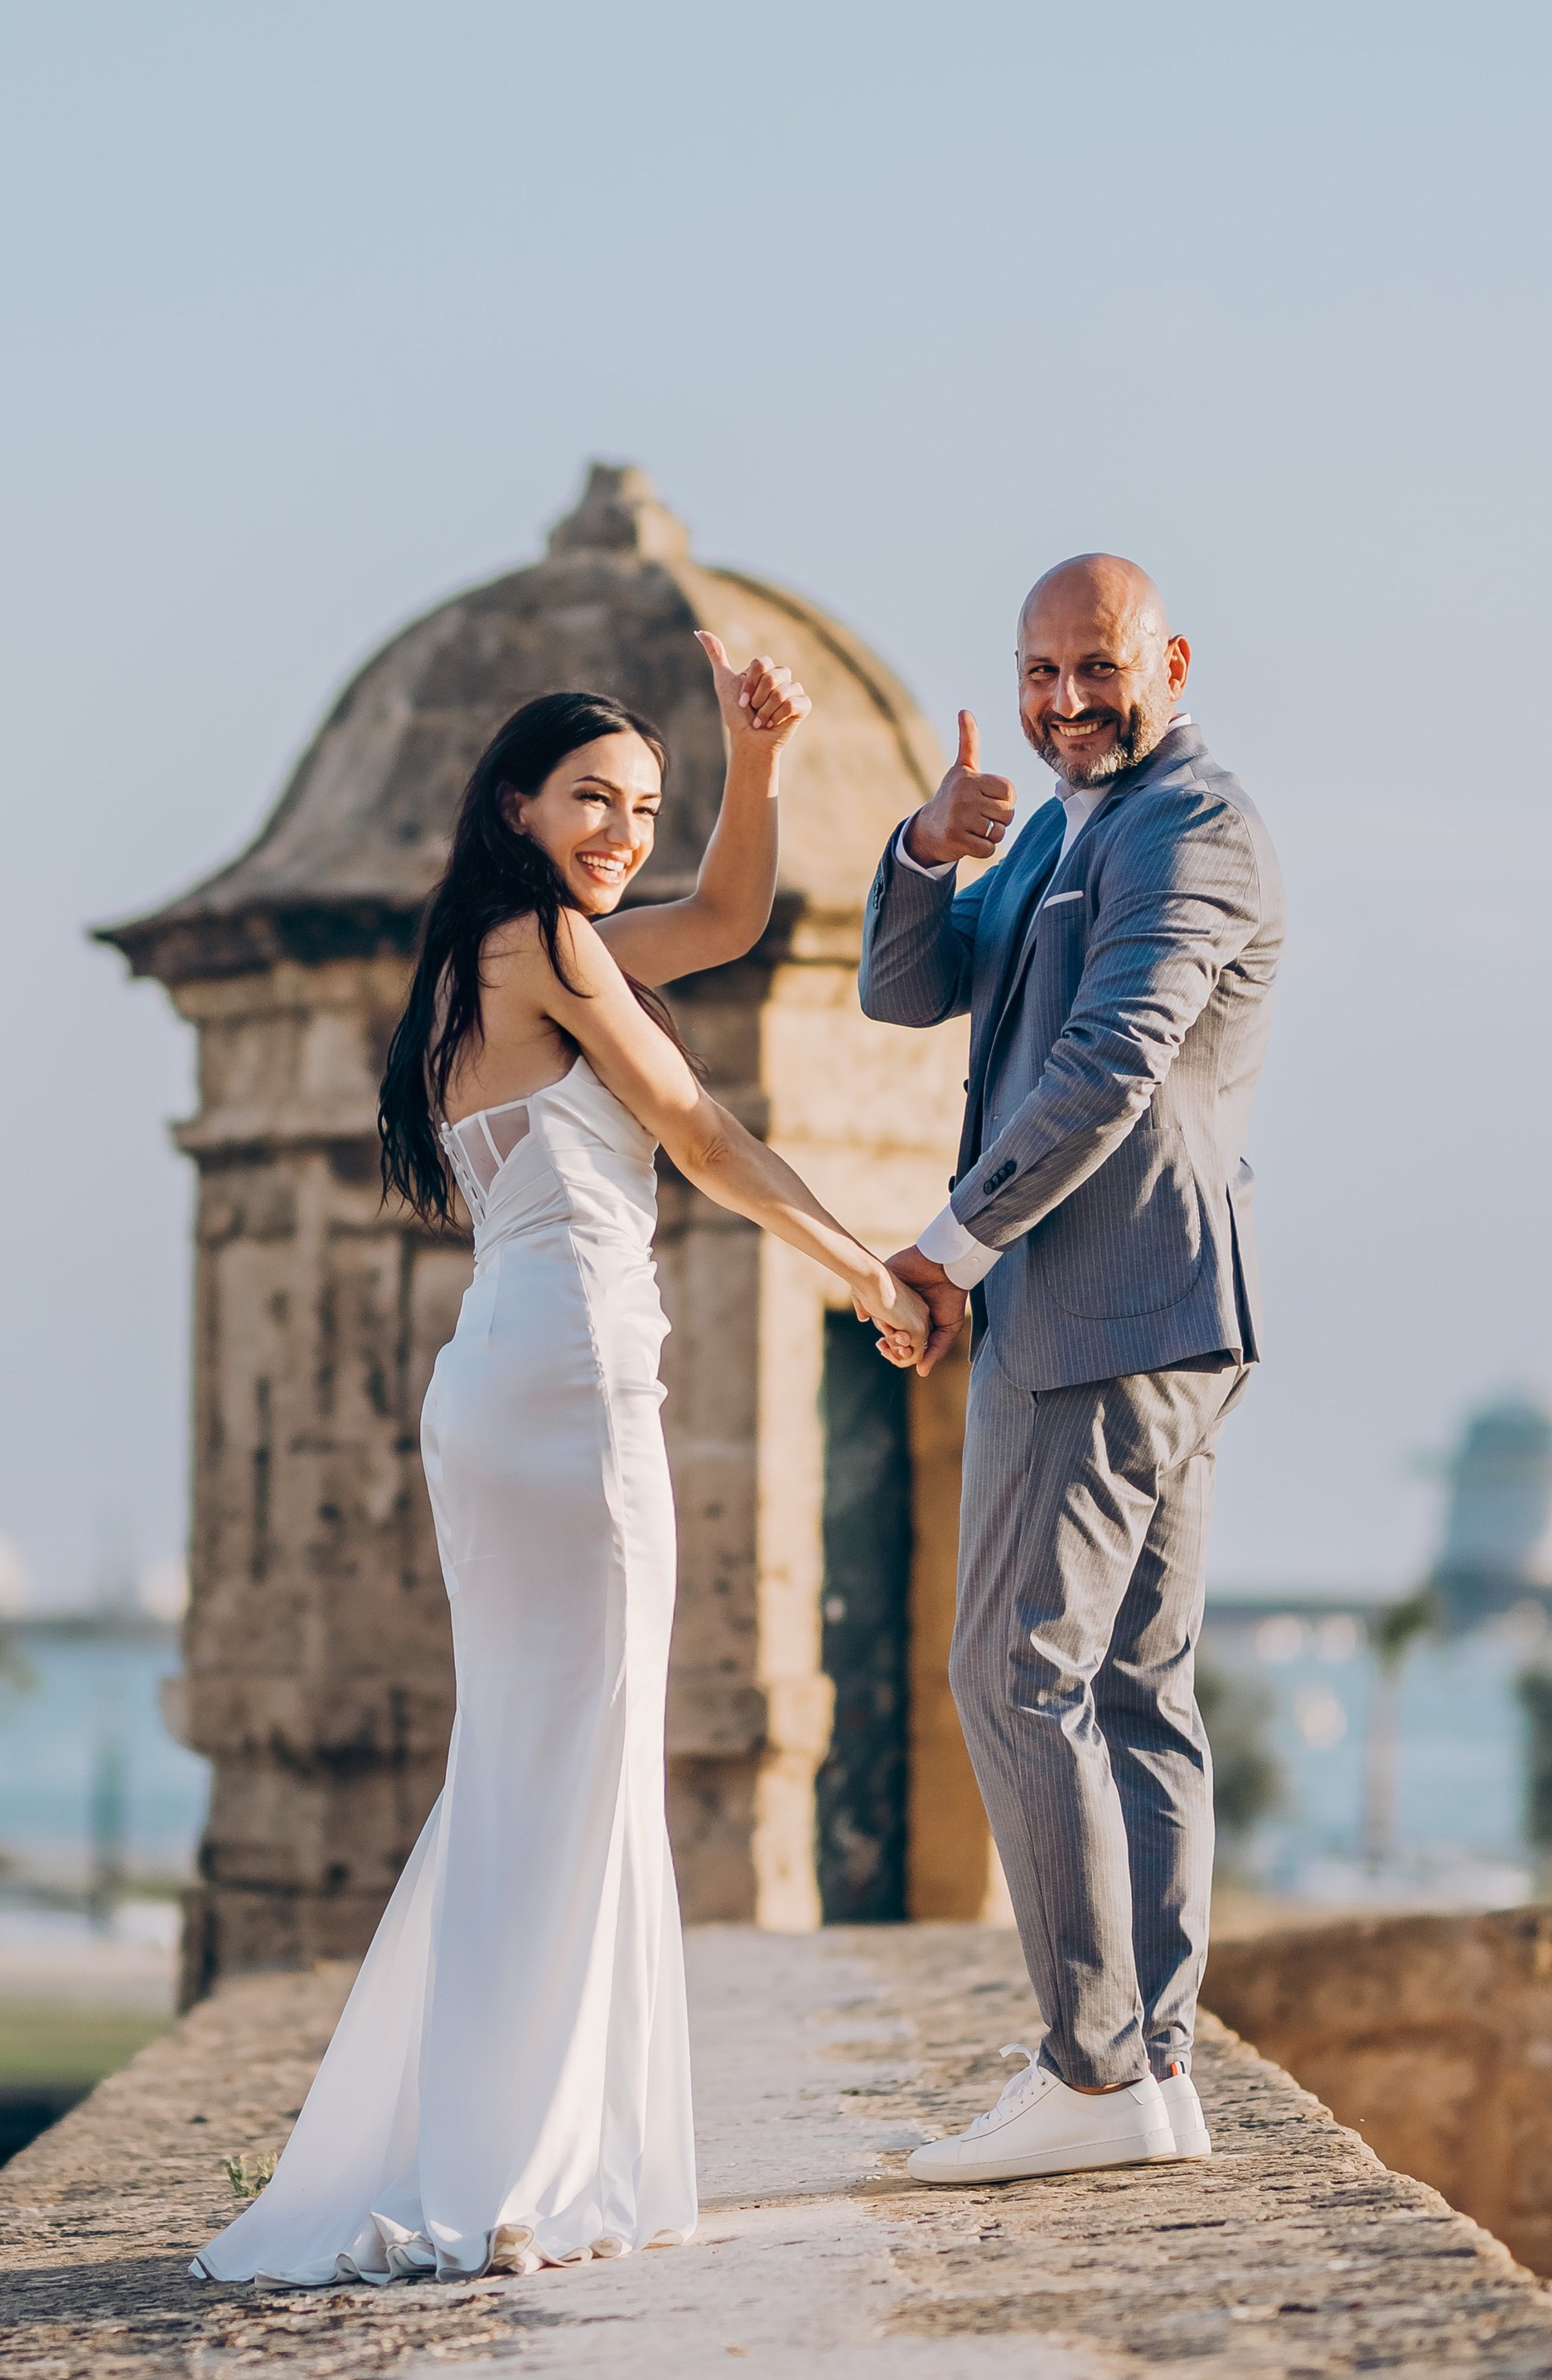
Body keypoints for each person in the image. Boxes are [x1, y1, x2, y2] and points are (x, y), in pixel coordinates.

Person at [193, 642, 929, 2286]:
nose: (619, 827)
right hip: (569, 1385)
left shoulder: (507, 947)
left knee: (536, 1760)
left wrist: (758, 763)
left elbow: (730, 924)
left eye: (642, 807)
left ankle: (498, 2146)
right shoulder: (532, 940)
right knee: (573, 1758)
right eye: (591, 796)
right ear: (510, 801)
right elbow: (699, 1131)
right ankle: (516, 2165)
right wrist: (866, 1268)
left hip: (513, 1377)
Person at [862, 554, 1284, 2184]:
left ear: (1168, 660)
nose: (1062, 699)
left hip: (1101, 1315)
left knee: (1008, 1672)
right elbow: (906, 989)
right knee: (1129, 1690)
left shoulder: (1192, 824)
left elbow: (1113, 1059)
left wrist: (945, 1249)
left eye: (1093, 665)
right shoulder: (1055, 824)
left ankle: (1091, 2074)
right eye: (1038, 671)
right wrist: (925, 849)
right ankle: (1150, 2071)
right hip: (1145, 1317)